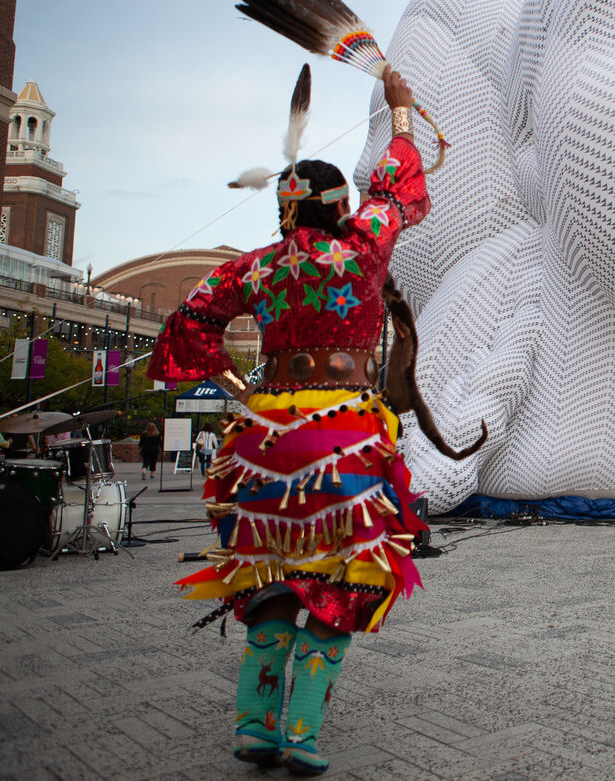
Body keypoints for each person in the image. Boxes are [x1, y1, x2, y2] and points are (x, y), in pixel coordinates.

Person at [148, 66, 432, 774]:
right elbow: (394, 189)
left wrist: (239, 384)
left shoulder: (254, 267)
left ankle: (254, 727)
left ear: (286, 209)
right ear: (337, 206)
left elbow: (190, 321)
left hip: (265, 439)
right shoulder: (362, 247)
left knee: (270, 577)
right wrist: (401, 114)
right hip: (344, 437)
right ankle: (300, 731)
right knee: (345, 580)